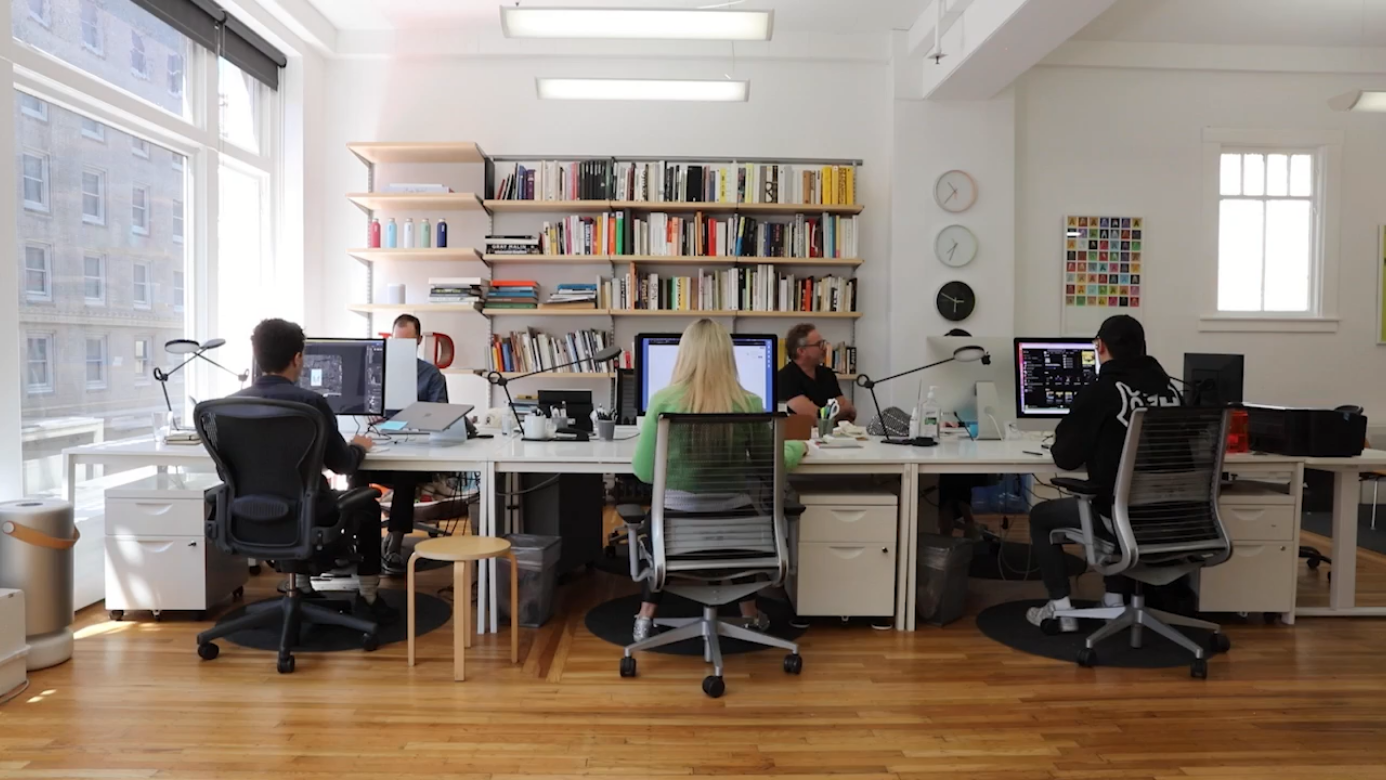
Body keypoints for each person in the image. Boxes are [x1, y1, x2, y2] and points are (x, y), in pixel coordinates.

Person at [631, 318, 808, 642]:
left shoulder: (662, 401)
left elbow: (643, 472)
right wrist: (798, 446)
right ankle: (751, 616)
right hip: (737, 534)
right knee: (745, 515)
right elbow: (771, 465)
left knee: (657, 521)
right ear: (727, 356)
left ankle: (645, 618)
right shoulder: (748, 402)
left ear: (685, 355)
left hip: (674, 533)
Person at [1026, 315, 1182, 632]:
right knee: (1124, 501)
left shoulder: (1101, 391)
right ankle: (1113, 600)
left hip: (1119, 519)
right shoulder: (1173, 392)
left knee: (1041, 516)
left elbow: (1065, 458)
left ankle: (1062, 610)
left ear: (1100, 346)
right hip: (1173, 519)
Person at [237, 318, 398, 625]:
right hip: (309, 512)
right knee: (366, 503)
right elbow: (343, 465)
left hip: (247, 513)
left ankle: (301, 586)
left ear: (257, 355)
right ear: (298, 358)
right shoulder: (310, 403)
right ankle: (369, 597)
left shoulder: (231, 405)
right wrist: (359, 446)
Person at [352, 314, 454, 574]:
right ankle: (358, 539)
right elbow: (358, 406)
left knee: (405, 472)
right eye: (396, 342)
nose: (401, 348)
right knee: (355, 468)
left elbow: (440, 415)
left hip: (414, 450)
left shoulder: (431, 375)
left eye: (407, 342)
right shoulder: (376, 372)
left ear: (418, 341)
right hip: (378, 445)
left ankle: (395, 543)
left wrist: (412, 419)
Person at [777, 323, 856, 422]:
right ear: (801, 351)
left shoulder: (827, 373)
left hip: (835, 432)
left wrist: (833, 413)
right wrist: (841, 410)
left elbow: (850, 415)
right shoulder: (784, 378)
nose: (824, 348)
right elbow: (816, 417)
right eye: (819, 344)